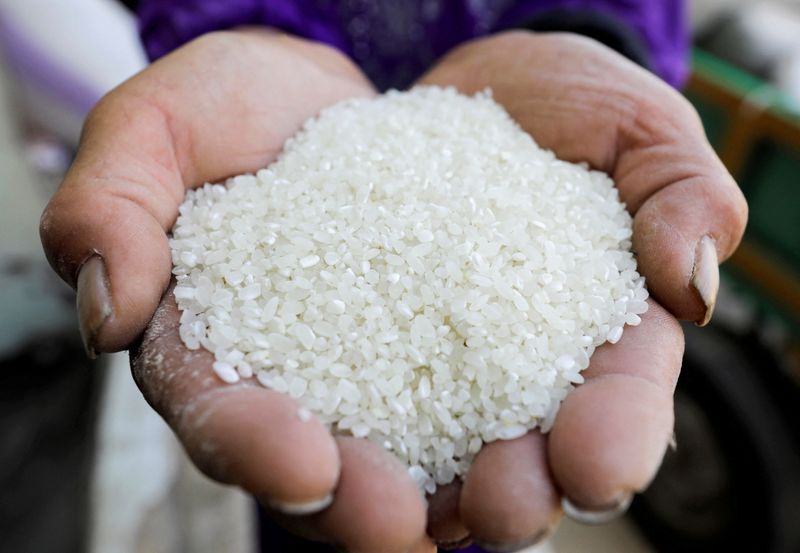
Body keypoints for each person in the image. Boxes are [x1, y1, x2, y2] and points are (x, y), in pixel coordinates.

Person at [39, 1, 748, 552]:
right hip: (269, 124)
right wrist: (237, 31)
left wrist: (590, 33)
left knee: (507, 498)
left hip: (525, 106)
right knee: (312, 489)